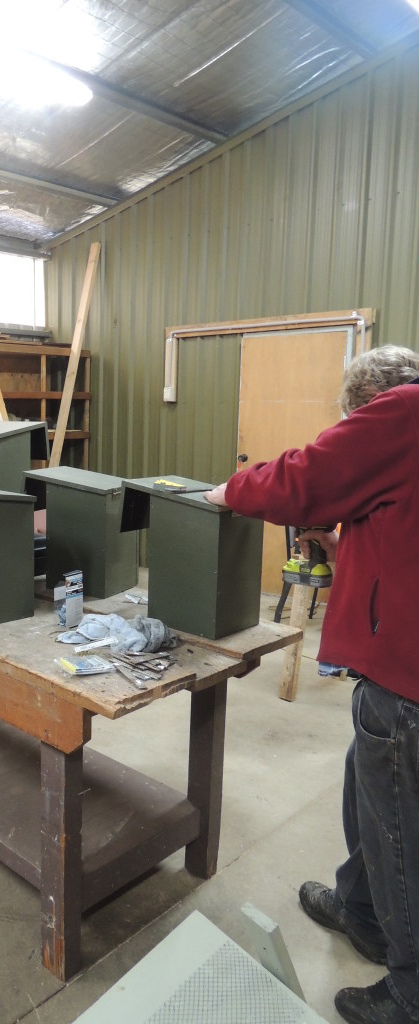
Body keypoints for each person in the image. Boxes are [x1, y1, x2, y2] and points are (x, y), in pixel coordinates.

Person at [204, 345, 419, 1024]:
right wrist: (345, 542)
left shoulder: (405, 412)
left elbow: (300, 480)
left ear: (367, 403)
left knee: (399, 833)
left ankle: (410, 991)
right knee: (369, 789)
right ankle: (362, 912)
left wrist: (227, 491)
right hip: (394, 674)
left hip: (405, 677)